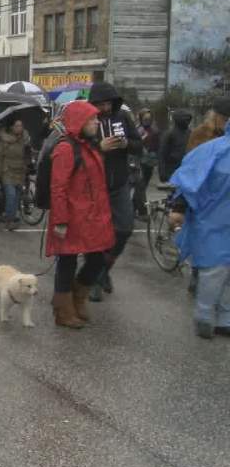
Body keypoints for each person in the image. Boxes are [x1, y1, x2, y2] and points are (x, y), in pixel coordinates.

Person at [46, 102, 114, 329]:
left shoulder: (88, 146)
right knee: (67, 261)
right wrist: (61, 220)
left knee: (98, 258)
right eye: (92, 119)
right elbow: (58, 187)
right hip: (72, 217)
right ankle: (63, 310)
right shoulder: (66, 148)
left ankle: (77, 296)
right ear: (79, 122)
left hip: (92, 217)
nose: (97, 122)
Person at [168, 119, 230, 338]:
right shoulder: (214, 150)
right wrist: (179, 208)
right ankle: (204, 315)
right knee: (215, 269)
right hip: (213, 221)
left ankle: (225, 318)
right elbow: (189, 179)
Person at [86, 81, 143, 303]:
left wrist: (127, 143)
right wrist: (99, 147)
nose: (105, 108)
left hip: (119, 183)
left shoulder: (123, 117)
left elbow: (140, 146)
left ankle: (103, 270)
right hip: (94, 186)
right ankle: (94, 279)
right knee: (96, 235)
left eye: (108, 102)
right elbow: (78, 148)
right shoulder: (87, 120)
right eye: (100, 104)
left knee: (124, 229)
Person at [0, 117, 30, 231]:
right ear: (11, 127)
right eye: (17, 125)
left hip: (20, 171)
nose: (19, 128)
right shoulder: (4, 140)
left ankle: (12, 217)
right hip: (7, 171)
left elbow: (28, 155)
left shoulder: (25, 139)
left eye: (21, 125)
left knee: (17, 198)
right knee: (11, 195)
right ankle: (9, 220)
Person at [133, 108, 159, 217]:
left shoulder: (153, 129)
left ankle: (133, 208)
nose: (147, 120)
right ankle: (141, 210)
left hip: (150, 161)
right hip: (140, 161)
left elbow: (156, 144)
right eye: (145, 118)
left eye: (149, 118)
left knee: (143, 186)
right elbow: (136, 144)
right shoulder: (139, 130)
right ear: (141, 118)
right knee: (141, 186)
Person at [158, 109, 193, 182]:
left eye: (188, 119)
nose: (187, 121)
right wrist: (162, 171)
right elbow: (162, 154)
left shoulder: (191, 133)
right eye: (185, 119)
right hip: (172, 169)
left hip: (187, 168)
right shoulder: (169, 134)